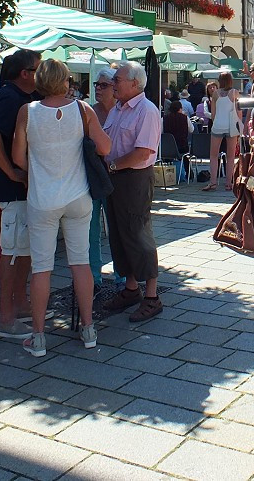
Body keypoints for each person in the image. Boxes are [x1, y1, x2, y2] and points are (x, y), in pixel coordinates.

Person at [12, 59, 111, 357]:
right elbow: (105, 148)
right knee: (80, 263)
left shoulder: (27, 112)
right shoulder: (83, 110)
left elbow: (18, 157)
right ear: (66, 81)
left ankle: (39, 336)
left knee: (42, 267)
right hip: (78, 196)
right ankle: (89, 328)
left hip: (42, 198)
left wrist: (38, 169)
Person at [0, 48, 42, 340]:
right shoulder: (8, 97)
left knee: (25, 252)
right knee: (12, 253)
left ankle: (20, 305)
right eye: (38, 69)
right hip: (14, 190)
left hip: (26, 189)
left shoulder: (27, 98)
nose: (41, 74)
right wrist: (12, 173)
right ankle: (6, 317)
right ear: (25, 73)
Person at [102, 61, 164, 323]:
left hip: (134, 178)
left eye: (117, 80)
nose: (113, 84)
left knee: (139, 234)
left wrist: (113, 165)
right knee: (118, 234)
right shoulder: (117, 109)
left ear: (135, 83)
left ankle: (152, 296)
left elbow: (143, 152)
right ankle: (130, 289)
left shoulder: (146, 110)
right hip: (115, 177)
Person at [89, 67, 118, 286]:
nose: (98, 89)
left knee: (117, 229)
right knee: (91, 230)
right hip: (91, 176)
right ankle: (93, 277)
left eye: (103, 85)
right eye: (97, 85)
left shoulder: (122, 111)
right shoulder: (89, 111)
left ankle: (122, 275)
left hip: (117, 175)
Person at [205, 73, 240, 191]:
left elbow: (213, 114)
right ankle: (229, 183)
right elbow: (238, 111)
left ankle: (213, 182)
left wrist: (216, 123)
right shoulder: (234, 92)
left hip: (218, 125)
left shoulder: (215, 93)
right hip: (231, 126)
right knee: (230, 156)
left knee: (213, 155)